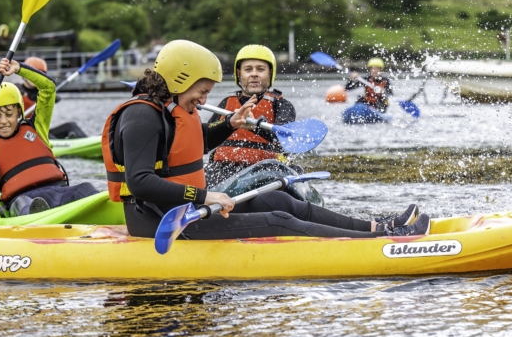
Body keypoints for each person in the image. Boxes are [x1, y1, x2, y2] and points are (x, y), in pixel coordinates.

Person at [102, 40, 429, 240]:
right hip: (161, 221)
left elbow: (195, 146)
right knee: (278, 220)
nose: (204, 100)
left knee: (283, 202)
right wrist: (204, 195)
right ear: (180, 79)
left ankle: (376, 228)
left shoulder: (168, 111)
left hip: (182, 209)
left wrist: (230, 123)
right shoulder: (141, 116)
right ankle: (380, 244)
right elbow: (141, 182)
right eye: (202, 90)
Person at [0, 58, 97, 216]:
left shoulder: (37, 126)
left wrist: (20, 69)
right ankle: (37, 217)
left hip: (58, 193)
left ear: (19, 112)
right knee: (23, 204)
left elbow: (48, 88)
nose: (3, 121)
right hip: (22, 203)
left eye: (9, 114)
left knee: (86, 188)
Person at [206, 44, 296, 184]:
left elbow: (286, 139)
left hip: (266, 171)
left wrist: (256, 127)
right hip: (223, 170)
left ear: (270, 74)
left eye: (260, 69)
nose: (254, 74)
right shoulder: (226, 104)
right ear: (239, 74)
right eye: (248, 69)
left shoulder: (281, 105)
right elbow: (206, 138)